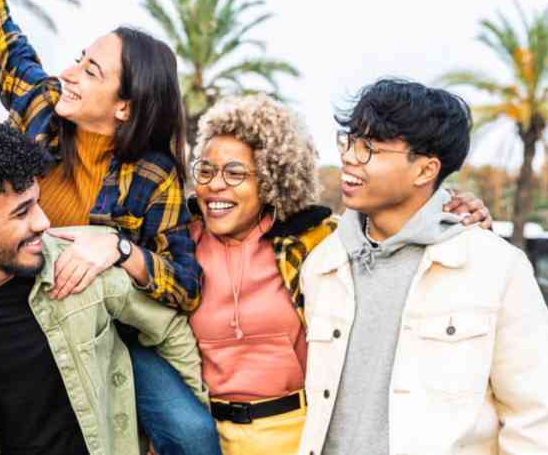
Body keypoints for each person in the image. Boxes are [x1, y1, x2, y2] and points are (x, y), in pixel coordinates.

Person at [0, 0, 218, 452]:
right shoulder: (42, 109)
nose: (68, 73)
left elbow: (184, 284)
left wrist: (118, 249)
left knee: (189, 431)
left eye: (90, 71)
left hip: (103, 330)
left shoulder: (155, 176)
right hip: (13, 311)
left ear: (125, 107)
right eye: (78, 58)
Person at [0, 119, 207, 455]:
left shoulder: (85, 265)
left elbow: (168, 330)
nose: (44, 222)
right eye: (22, 212)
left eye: (37, 201)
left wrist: (179, 423)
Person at [187, 94, 492, 454]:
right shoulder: (175, 244)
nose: (215, 185)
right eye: (205, 170)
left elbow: (397, 229)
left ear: (272, 178)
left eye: (235, 173)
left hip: (296, 436)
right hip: (199, 437)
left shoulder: (318, 242)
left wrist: (456, 207)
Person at [297, 79, 548, 455]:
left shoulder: (497, 269)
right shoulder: (323, 264)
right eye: (349, 141)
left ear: (425, 170)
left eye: (369, 148)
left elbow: (536, 422)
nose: (348, 157)